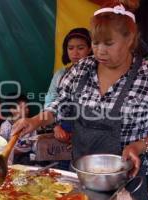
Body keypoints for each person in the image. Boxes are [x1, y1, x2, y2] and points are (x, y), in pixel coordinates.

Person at [12, 1, 148, 199]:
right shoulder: (82, 69)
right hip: (81, 174)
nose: (100, 51)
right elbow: (61, 105)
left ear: (130, 39)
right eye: (95, 43)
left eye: (108, 44)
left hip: (129, 178)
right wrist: (35, 120)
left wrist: (138, 146)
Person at [44, 28, 92, 169]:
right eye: (71, 48)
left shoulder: (98, 74)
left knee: (85, 173)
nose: (75, 53)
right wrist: (56, 127)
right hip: (63, 131)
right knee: (63, 176)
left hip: (88, 132)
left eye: (80, 48)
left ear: (90, 49)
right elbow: (50, 101)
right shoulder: (60, 74)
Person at [0, 94, 37, 164]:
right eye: (22, 107)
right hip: (12, 156)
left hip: (27, 154)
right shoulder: (6, 126)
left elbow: (34, 142)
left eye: (27, 107)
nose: (26, 110)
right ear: (12, 110)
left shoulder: (31, 123)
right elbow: (2, 144)